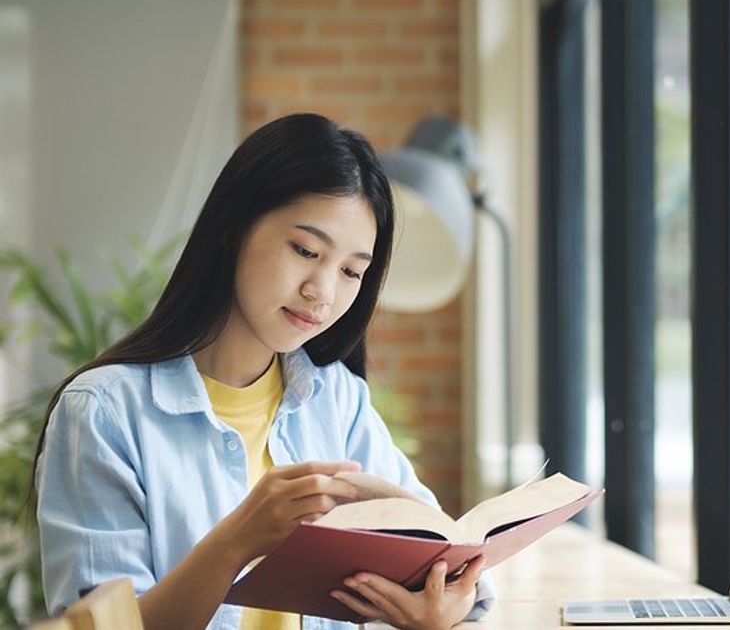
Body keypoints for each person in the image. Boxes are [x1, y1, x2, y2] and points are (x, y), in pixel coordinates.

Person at [33, 113, 494, 630]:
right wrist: (236, 542)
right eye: (304, 250)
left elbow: (442, 555)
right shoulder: (104, 414)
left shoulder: (336, 400)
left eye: (350, 271)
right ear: (234, 229)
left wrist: (439, 607)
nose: (322, 292)